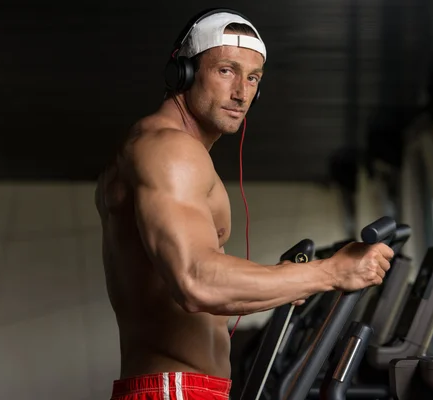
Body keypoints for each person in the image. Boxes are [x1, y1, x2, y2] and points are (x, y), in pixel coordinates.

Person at [95, 8, 394, 400]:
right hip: (176, 390)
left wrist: (289, 280)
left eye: (252, 78)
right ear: (182, 73)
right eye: (226, 71)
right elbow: (196, 280)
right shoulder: (169, 150)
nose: (241, 92)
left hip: (190, 388)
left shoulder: (171, 151)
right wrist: (332, 272)